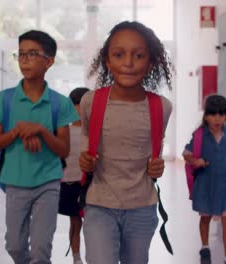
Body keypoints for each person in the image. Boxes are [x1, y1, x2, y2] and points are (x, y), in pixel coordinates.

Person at [79, 21, 173, 264]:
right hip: (99, 203)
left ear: (151, 62)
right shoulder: (91, 102)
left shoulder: (161, 106)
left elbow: (154, 152)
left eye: (138, 55)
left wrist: (157, 168)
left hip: (142, 206)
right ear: (108, 62)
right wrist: (84, 161)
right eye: (119, 55)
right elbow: (86, 142)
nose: (128, 63)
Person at [0, 30, 79, 264]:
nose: (24, 59)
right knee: (15, 246)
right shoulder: (4, 99)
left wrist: (41, 130)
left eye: (32, 54)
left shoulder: (60, 103)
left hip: (48, 183)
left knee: (41, 248)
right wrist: (18, 131)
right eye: (21, 54)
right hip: (15, 183)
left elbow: (63, 150)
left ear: (48, 61)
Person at [183, 95, 226, 264]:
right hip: (206, 185)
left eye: (221, 114)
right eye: (213, 114)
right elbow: (186, 154)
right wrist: (196, 161)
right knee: (205, 218)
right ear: (206, 116)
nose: (217, 118)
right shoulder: (199, 136)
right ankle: (205, 246)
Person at [58, 87, 90, 264]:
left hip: (89, 184)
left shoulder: (93, 133)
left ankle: (93, 255)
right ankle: (76, 257)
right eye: (77, 105)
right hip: (69, 183)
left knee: (93, 223)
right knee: (75, 223)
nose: (80, 110)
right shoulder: (64, 131)